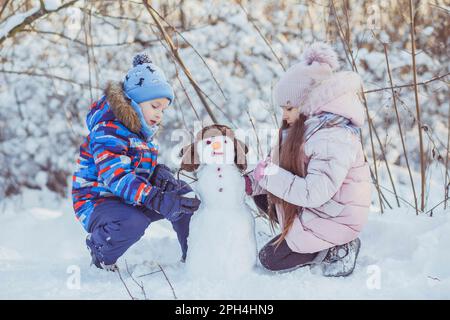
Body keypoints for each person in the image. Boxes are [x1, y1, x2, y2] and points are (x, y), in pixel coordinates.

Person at [245, 42, 371, 277]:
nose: (284, 115)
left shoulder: (333, 136)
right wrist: (250, 181)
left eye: (289, 108)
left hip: (337, 216)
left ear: (309, 104)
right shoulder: (306, 129)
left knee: (269, 260)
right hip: (321, 209)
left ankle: (339, 246)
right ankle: (302, 236)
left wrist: (268, 174)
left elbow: (314, 193)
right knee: (263, 194)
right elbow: (278, 170)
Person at [72, 53, 201, 271]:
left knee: (182, 195)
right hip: (97, 202)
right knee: (134, 222)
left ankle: (196, 254)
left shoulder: (142, 135)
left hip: (129, 198)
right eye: (155, 105)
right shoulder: (106, 131)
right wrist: (156, 198)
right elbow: (117, 176)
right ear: (133, 102)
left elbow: (141, 168)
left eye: (163, 109)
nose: (160, 114)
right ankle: (101, 250)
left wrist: (160, 174)